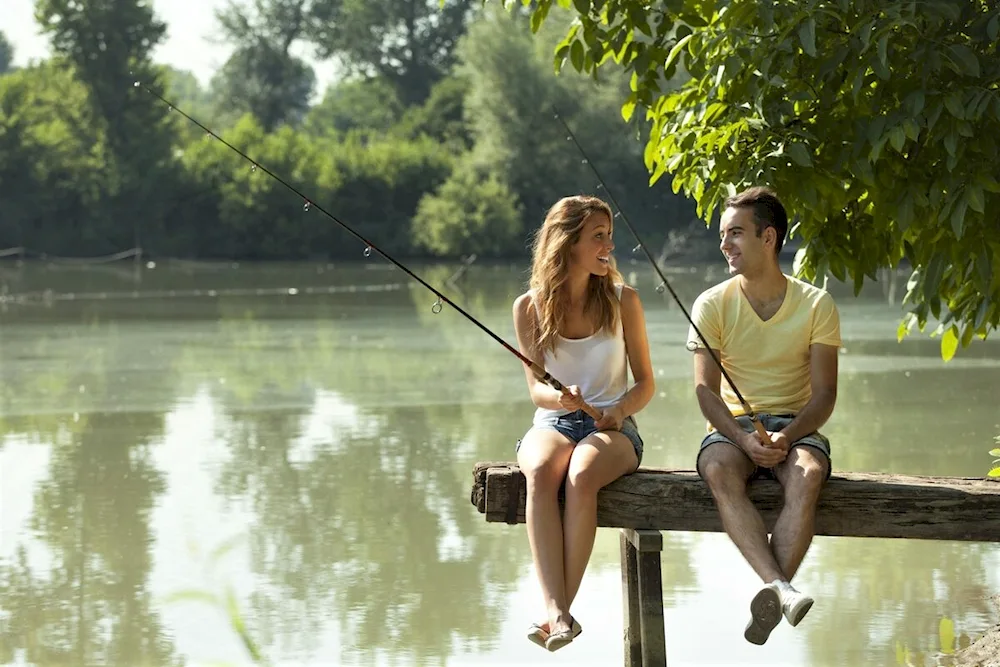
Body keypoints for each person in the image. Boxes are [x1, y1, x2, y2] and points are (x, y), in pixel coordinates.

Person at [686, 186, 841, 646]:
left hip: (798, 424)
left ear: (768, 237)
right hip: (732, 430)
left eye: (735, 233)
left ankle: (774, 591)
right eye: (722, 235)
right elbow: (704, 392)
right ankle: (784, 590)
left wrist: (789, 435)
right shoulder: (711, 304)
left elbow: (826, 394)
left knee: (809, 474)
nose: (724, 244)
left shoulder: (817, 305)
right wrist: (740, 437)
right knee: (716, 468)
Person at [512, 195, 655, 652]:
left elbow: (646, 383)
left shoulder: (623, 300)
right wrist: (561, 397)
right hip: (554, 421)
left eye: (609, 236)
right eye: (598, 236)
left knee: (582, 472)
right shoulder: (529, 308)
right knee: (538, 470)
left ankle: (556, 612)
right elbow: (536, 389)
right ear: (567, 242)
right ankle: (560, 613)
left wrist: (619, 411)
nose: (609, 245)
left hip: (612, 429)